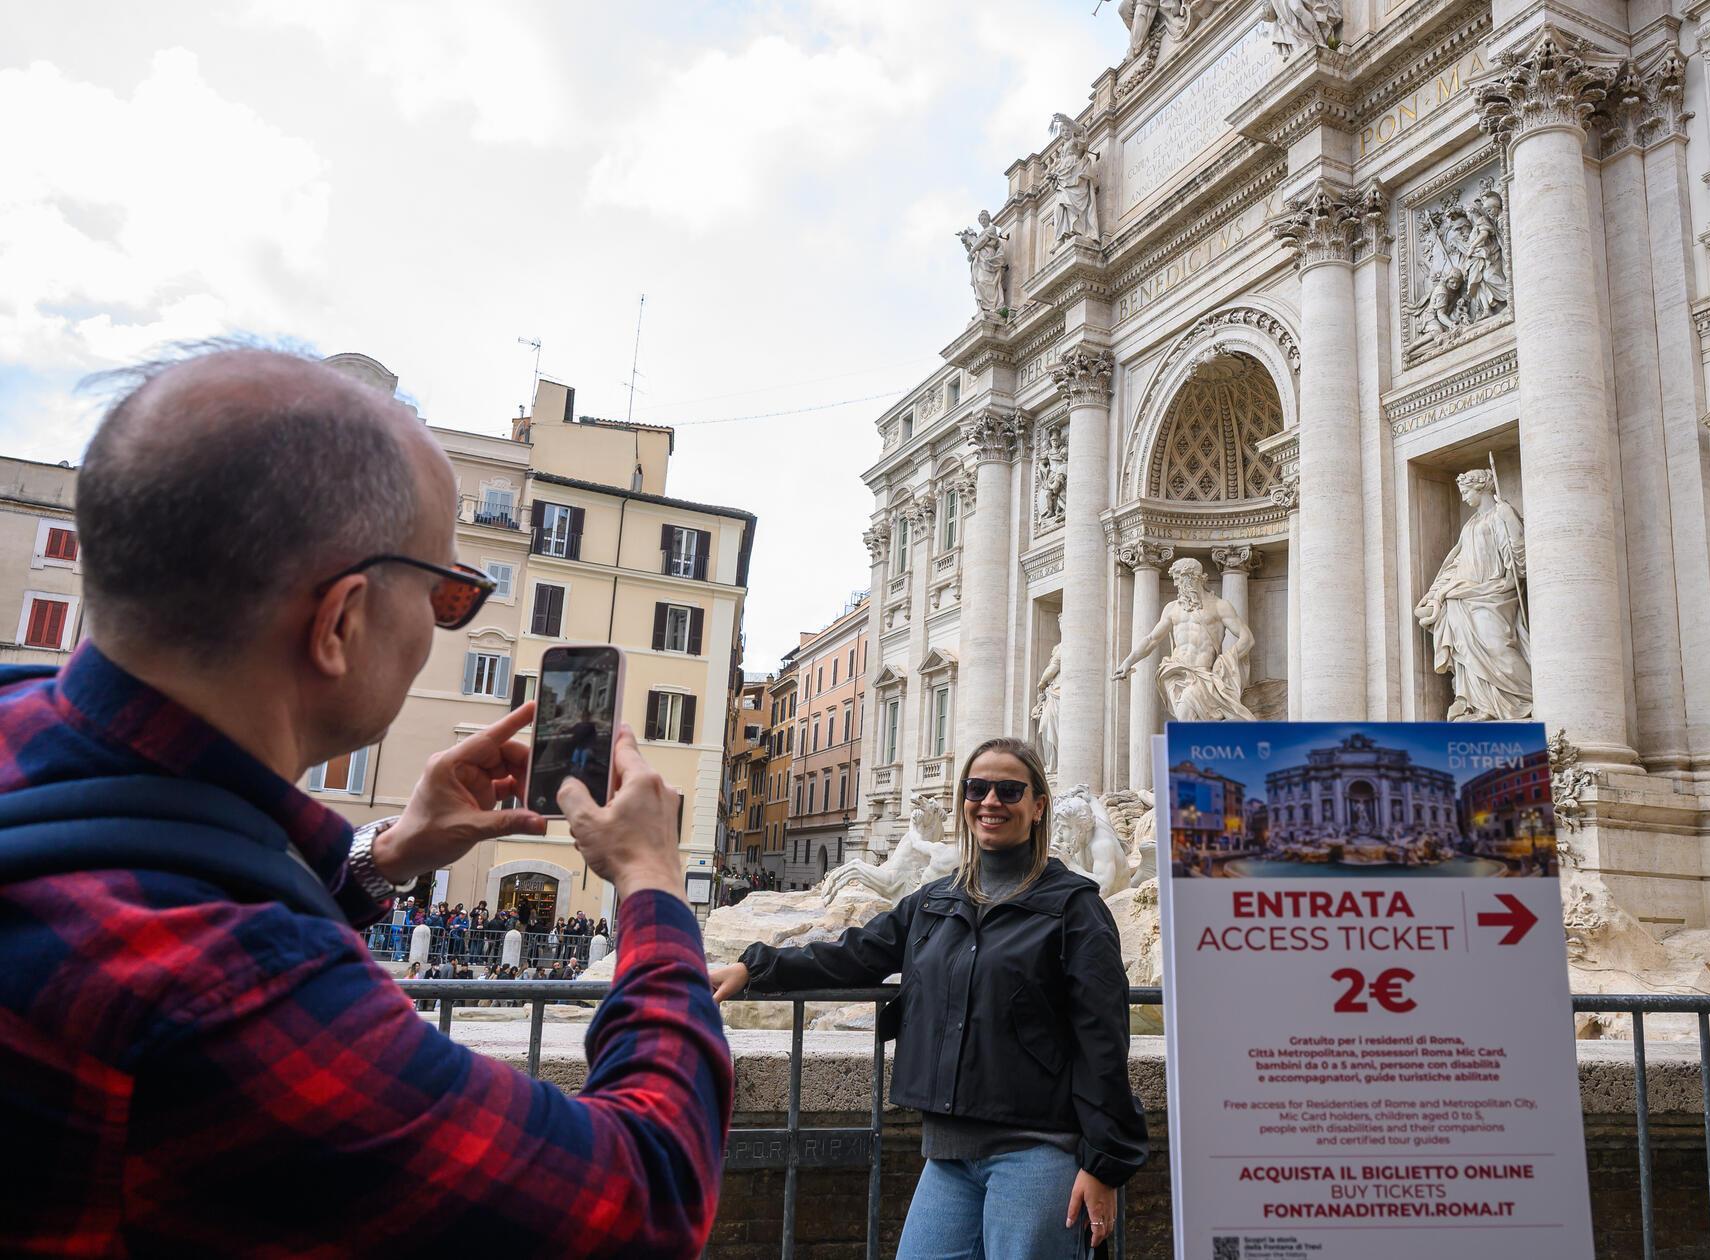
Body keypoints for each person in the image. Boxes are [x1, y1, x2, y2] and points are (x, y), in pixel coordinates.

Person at [0, 347, 730, 1253]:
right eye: (450, 594)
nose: (444, 623)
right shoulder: (227, 983)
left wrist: (380, 858)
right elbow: (646, 1200)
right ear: (341, 622)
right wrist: (652, 884)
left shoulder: (22, 717)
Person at [710, 737, 1147, 1257]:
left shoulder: (1075, 907)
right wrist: (753, 966)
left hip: (1040, 1152)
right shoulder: (936, 899)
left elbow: (1103, 1040)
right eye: (977, 788)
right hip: (948, 1153)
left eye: (1009, 790)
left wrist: (1103, 1164)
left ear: (1038, 806)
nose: (991, 802)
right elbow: (855, 954)